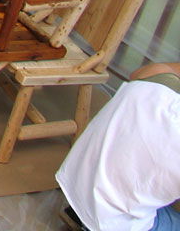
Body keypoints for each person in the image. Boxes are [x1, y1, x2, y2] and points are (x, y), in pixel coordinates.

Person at [56, 62, 180, 231]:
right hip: (115, 222)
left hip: (75, 184)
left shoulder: (158, 78)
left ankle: (82, 216)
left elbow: (137, 74)